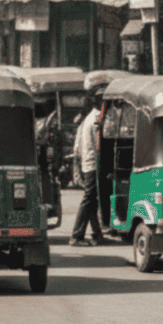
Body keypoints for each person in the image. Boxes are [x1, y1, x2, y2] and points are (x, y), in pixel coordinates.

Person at [69, 75, 108, 247]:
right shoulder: (96, 120)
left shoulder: (90, 117)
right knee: (88, 199)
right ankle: (76, 235)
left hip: (87, 165)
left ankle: (97, 234)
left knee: (92, 200)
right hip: (92, 165)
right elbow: (98, 146)